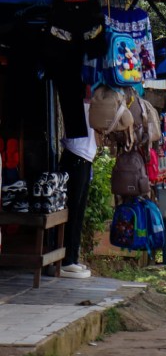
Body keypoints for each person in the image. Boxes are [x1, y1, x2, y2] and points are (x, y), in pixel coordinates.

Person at [59, 101, 96, 279]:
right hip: (76, 156)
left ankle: (73, 256)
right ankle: (66, 259)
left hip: (85, 158)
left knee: (79, 210)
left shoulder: (95, 102)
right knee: (72, 209)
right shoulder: (79, 103)